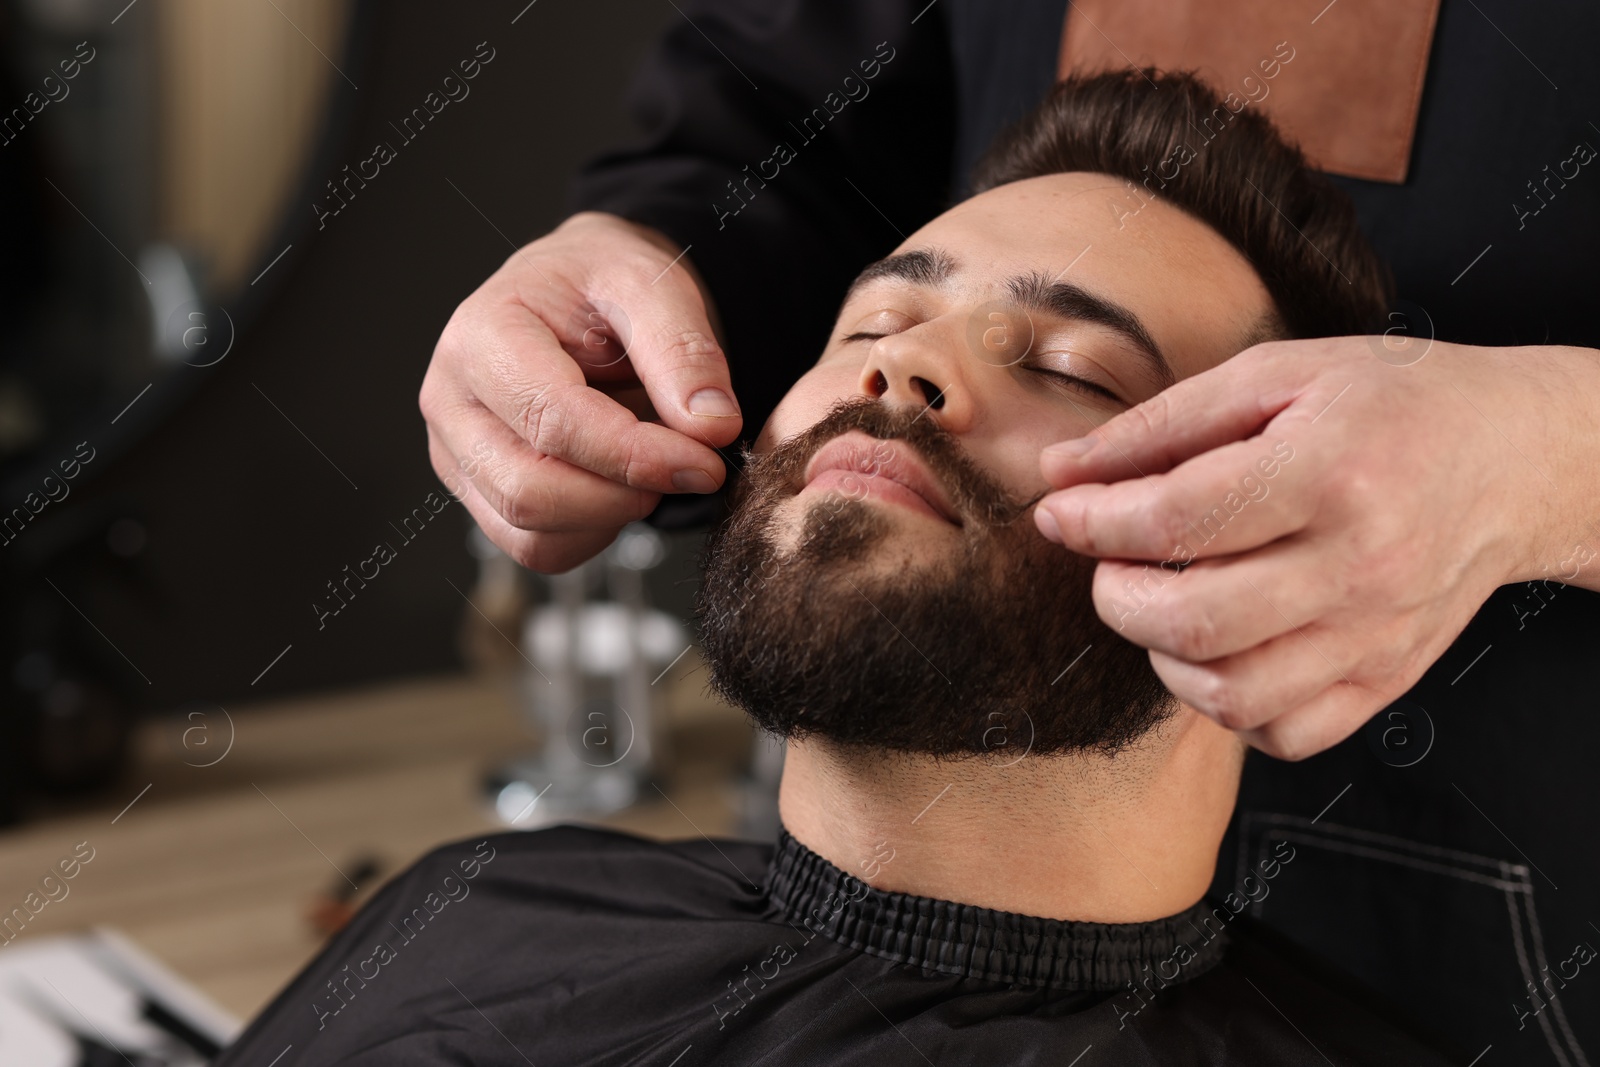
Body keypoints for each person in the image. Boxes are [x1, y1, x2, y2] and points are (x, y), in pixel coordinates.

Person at [420, 3, 1600, 1058]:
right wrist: (638, 269)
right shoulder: (460, 933)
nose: (903, 367)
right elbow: (794, 120)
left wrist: (1560, 453)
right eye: (874, 321)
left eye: (1077, 369)